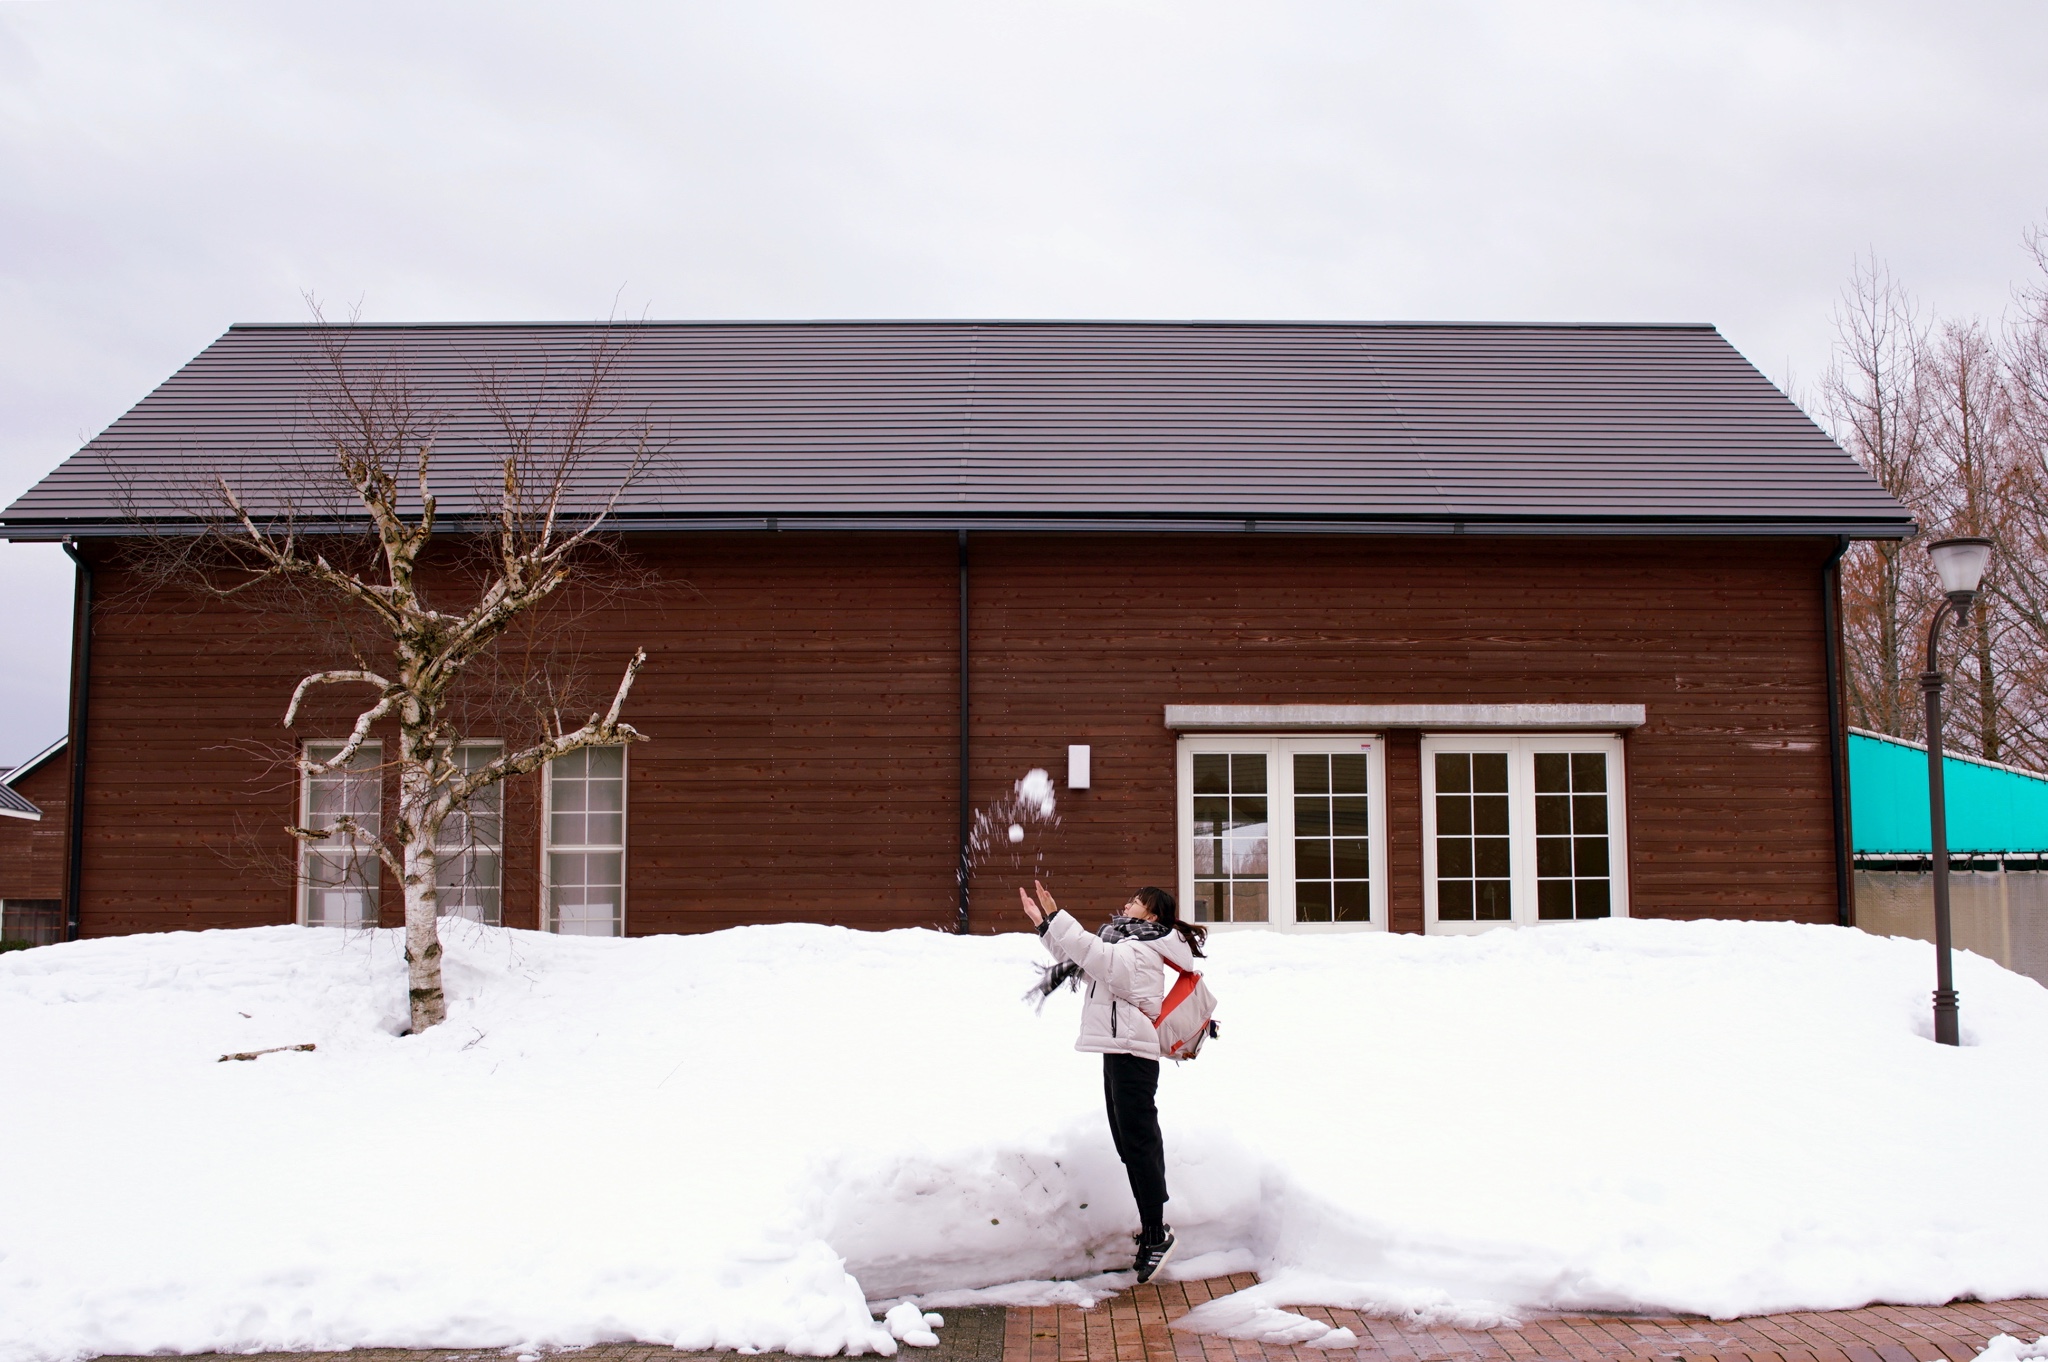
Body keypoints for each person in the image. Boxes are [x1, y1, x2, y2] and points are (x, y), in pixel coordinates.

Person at [1018, 879, 1207, 1285]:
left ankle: (1157, 1233)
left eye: (1136, 902)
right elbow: (1088, 962)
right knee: (1128, 1144)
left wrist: (1056, 915)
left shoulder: (1142, 951)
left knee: (1139, 1145)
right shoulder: (1127, 945)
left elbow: (1093, 953)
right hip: (1118, 1051)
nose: (1127, 904)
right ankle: (1153, 1229)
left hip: (1134, 1057)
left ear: (1152, 915)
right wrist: (1045, 927)